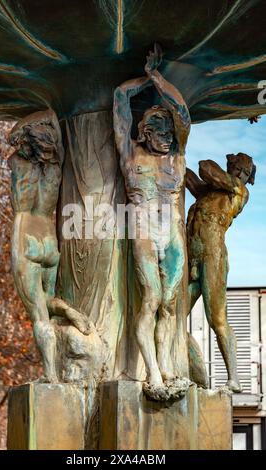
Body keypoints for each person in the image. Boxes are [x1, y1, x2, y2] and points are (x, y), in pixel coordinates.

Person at [113, 44, 191, 399]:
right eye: (159, 130)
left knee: (170, 305)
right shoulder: (131, 153)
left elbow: (184, 115)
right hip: (144, 230)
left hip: (172, 235)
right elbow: (118, 98)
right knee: (151, 300)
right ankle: (154, 374)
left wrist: (159, 78)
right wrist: (142, 79)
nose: (167, 136)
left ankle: (167, 365)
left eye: (169, 133)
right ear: (144, 132)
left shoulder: (177, 157)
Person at [9, 109, 92, 383]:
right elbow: (55, 120)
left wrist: (22, 131)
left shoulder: (18, 163)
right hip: (49, 242)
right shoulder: (55, 167)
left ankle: (52, 377)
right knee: (47, 301)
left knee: (38, 314)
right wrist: (49, 116)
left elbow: (13, 136)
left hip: (26, 239)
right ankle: (68, 310)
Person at [186, 153, 256, 392]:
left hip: (213, 255)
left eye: (244, 172)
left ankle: (234, 378)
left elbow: (205, 167)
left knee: (217, 319)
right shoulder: (209, 192)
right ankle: (189, 371)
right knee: (172, 316)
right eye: (236, 168)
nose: (239, 174)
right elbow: (190, 179)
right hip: (193, 255)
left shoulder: (237, 190)